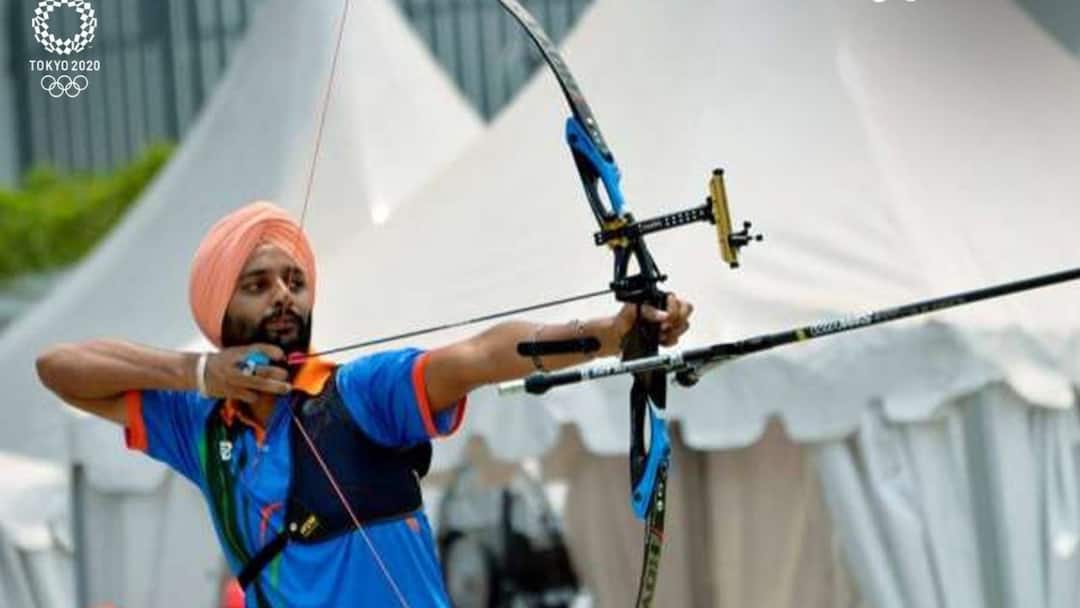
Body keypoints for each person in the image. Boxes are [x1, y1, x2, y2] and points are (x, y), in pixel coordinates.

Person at [35, 201, 694, 607]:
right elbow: (59, 368)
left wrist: (608, 334)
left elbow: (479, 356)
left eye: (295, 282)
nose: (285, 297)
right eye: (258, 285)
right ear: (219, 309)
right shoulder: (200, 427)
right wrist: (197, 371)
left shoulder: (357, 393)